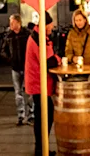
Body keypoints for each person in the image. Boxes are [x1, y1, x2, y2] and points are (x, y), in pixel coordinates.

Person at [24, 12, 59, 156]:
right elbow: (49, 60)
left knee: (43, 115)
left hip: (37, 82)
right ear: (46, 25)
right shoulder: (39, 39)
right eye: (51, 24)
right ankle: (40, 149)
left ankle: (41, 148)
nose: (52, 27)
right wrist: (60, 59)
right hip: (39, 83)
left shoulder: (38, 36)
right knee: (44, 116)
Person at [0, 15, 33, 126]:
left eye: (12, 23)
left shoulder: (27, 34)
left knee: (29, 92)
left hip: (26, 66)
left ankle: (31, 115)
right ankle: (21, 115)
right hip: (15, 67)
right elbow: (3, 50)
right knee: (18, 92)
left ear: (18, 22)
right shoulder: (9, 36)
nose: (10, 25)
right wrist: (10, 59)